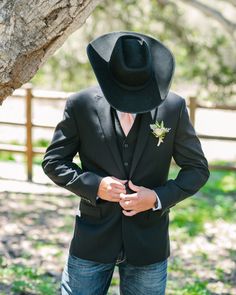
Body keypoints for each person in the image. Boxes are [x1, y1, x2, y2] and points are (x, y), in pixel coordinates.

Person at [42, 31, 209, 295]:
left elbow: (197, 169)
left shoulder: (173, 107)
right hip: (92, 241)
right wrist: (95, 186)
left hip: (149, 244)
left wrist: (156, 197)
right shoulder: (81, 104)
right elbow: (53, 161)